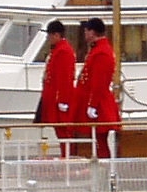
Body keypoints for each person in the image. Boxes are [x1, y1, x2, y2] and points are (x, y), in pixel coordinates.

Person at [74, 17, 119, 160]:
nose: (85, 34)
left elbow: (100, 81)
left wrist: (92, 105)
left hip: (99, 104)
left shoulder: (102, 52)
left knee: (101, 141)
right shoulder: (98, 49)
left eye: (86, 31)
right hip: (94, 101)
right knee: (98, 141)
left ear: (92, 32)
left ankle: (105, 171)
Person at [35, 19, 78, 148]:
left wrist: (63, 100)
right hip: (53, 98)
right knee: (60, 133)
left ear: (56, 35)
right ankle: (66, 158)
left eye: (50, 35)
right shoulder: (58, 50)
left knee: (64, 133)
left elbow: (64, 78)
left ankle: (68, 160)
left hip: (59, 100)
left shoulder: (63, 51)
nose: (48, 38)